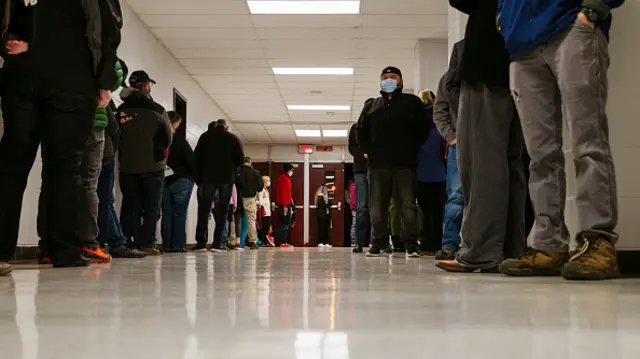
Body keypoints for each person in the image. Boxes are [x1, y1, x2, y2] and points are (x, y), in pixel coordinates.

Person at [498, 0, 624, 280]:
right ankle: (548, 244)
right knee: (540, 154)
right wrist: (503, 20)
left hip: (571, 26)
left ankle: (599, 241)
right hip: (522, 46)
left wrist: (593, 10)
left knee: (588, 143)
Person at [0, 0, 121, 274]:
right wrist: (103, 81)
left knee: (12, 164)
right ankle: (63, 250)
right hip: (71, 78)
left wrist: (9, 48)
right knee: (65, 167)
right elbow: (106, 28)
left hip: (23, 76)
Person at [436, 0, 526, 273]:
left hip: (487, 61)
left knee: (481, 165)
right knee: (512, 165)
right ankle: (512, 248)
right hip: (520, 58)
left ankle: (480, 251)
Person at [356, 66, 429, 257]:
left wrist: (412, 148)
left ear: (401, 82)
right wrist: (368, 152)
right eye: (385, 77)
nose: (389, 80)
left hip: (405, 164)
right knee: (377, 205)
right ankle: (379, 243)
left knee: (407, 204)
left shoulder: (412, 102)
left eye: (393, 77)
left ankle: (411, 244)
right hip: (378, 165)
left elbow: (423, 128)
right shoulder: (371, 106)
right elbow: (360, 130)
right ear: (380, 82)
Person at [117, 70, 173, 256]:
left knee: (130, 205)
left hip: (128, 165)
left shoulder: (120, 111)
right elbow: (167, 137)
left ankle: (127, 241)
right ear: (146, 86)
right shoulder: (157, 110)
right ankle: (147, 243)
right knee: (151, 206)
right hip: (153, 165)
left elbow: (115, 136)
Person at [433, 40, 465, 260]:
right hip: (458, 146)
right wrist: (451, 137)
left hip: (487, 144)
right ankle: (450, 245)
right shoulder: (448, 79)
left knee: (486, 195)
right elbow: (440, 111)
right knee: (456, 196)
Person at [194, 119, 244, 251]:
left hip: (208, 178)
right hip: (226, 179)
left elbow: (197, 157)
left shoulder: (205, 137)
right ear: (226, 127)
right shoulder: (233, 138)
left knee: (204, 210)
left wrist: (199, 178)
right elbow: (240, 159)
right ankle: (218, 243)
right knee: (222, 211)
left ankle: (201, 243)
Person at [416, 89, 446, 256]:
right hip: (439, 174)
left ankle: (425, 242)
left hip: (421, 173)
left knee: (424, 211)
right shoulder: (439, 124)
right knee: (437, 211)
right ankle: (436, 242)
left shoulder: (417, 125)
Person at [161, 111, 197, 253]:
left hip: (164, 180)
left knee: (167, 212)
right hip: (182, 180)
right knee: (179, 213)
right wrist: (195, 178)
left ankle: (166, 245)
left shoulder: (159, 140)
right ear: (176, 124)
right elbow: (191, 161)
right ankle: (178, 245)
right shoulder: (181, 142)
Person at [348, 108, 371, 253]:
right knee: (362, 207)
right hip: (361, 170)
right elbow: (352, 148)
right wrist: (364, 155)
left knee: (377, 207)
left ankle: (377, 241)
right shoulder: (355, 128)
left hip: (377, 170)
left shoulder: (377, 127)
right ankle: (360, 242)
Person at [235, 157, 262, 250]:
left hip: (237, 197)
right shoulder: (256, 173)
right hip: (250, 198)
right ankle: (252, 241)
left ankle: (232, 241)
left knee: (235, 219)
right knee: (251, 220)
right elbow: (260, 188)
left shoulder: (236, 171)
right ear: (250, 162)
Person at [275, 163, 295, 247]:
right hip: (284, 204)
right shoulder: (283, 178)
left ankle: (284, 241)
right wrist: (285, 205)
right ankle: (272, 235)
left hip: (287, 203)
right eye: (291, 170)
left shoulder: (286, 178)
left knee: (286, 223)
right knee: (286, 223)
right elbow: (283, 193)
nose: (292, 172)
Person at [258, 176, 274, 247]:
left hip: (268, 211)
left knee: (267, 226)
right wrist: (261, 208)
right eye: (267, 181)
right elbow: (260, 199)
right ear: (264, 181)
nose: (268, 182)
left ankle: (266, 241)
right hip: (263, 210)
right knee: (263, 227)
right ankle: (262, 241)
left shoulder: (266, 189)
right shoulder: (261, 189)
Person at [348, 179, 357, 246]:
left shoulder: (350, 186)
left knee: (354, 224)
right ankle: (355, 241)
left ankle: (353, 242)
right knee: (356, 224)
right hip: (356, 207)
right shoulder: (355, 186)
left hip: (353, 207)